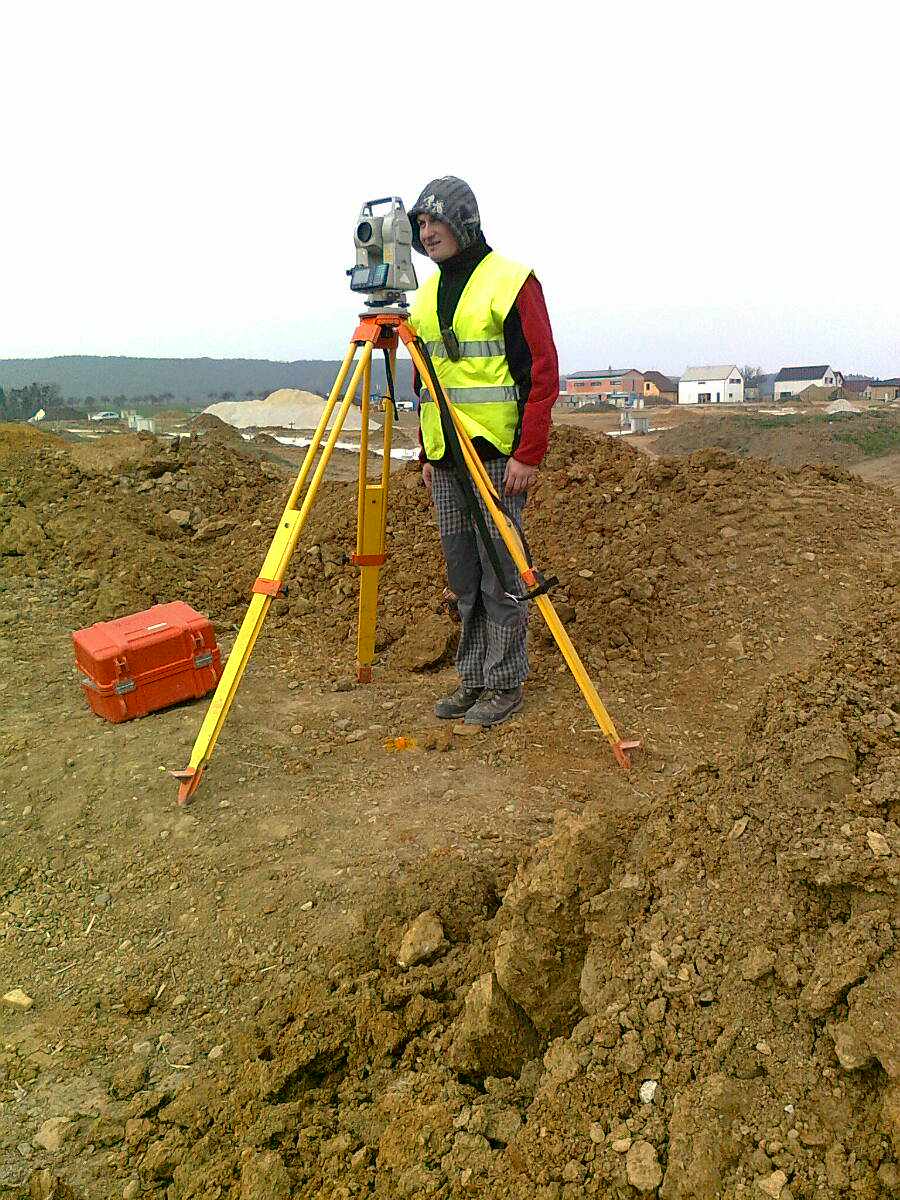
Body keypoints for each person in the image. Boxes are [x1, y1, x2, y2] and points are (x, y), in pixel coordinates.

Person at [407, 176, 559, 727]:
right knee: (464, 575)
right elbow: (429, 380)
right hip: (446, 458)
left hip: (496, 454)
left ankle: (505, 681)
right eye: (420, 225)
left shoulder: (513, 281)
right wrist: (426, 451)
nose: (426, 234)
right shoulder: (425, 294)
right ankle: (472, 677)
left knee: (500, 574)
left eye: (434, 221)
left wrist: (529, 452)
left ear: (462, 220)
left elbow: (541, 371)